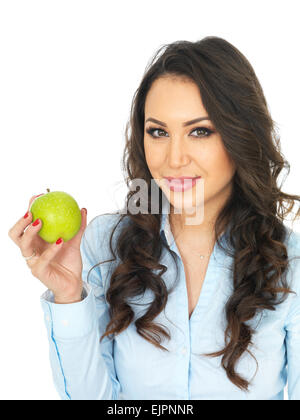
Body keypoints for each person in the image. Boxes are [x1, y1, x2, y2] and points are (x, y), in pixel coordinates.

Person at [8, 36, 300, 400]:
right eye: (158, 132)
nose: (174, 158)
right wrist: (69, 296)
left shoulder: (291, 261)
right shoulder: (105, 243)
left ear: (241, 135)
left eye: (200, 131)